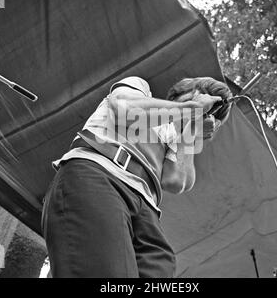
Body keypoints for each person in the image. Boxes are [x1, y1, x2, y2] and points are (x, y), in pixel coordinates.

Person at [41, 76, 232, 277]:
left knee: (160, 265)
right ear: (186, 91)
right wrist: (192, 109)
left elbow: (176, 181)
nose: (207, 106)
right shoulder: (140, 89)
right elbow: (125, 111)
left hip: (145, 207)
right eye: (205, 95)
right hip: (100, 175)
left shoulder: (176, 137)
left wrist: (192, 128)